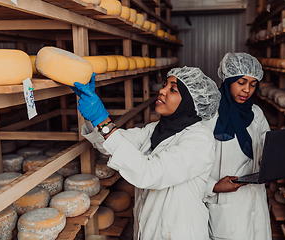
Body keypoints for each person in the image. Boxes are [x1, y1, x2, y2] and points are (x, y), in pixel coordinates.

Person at [71, 66, 221, 240]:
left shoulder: (199, 140)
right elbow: (111, 144)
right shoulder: (154, 130)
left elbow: (150, 173)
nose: (162, 91)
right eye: (164, 85)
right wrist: (94, 118)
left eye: (172, 89)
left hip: (181, 232)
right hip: (149, 228)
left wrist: (104, 121)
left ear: (190, 102)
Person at [203, 52, 272, 240]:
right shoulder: (210, 116)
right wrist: (213, 187)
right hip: (224, 201)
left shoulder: (256, 113)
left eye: (252, 84)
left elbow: (267, 146)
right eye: (241, 83)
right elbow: (192, 164)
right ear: (228, 80)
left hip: (255, 199)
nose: (246, 90)